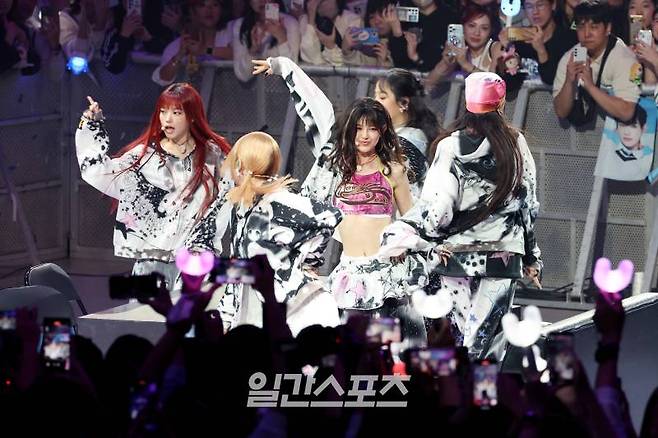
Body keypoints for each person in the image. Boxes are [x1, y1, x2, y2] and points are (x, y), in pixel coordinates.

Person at [253, 56, 427, 342]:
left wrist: (407, 244)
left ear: (382, 131)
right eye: (358, 128)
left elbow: (412, 219)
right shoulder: (334, 168)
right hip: (348, 275)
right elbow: (313, 212)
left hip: (387, 277)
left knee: (390, 352)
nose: (364, 135)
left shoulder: (394, 169)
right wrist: (283, 66)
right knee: (350, 350)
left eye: (372, 128)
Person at [379, 72, 542, 360]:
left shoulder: (449, 146)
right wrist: (531, 257)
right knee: (486, 345)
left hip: (455, 259)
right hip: (502, 258)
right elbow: (527, 204)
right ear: (501, 101)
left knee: (456, 342)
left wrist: (419, 240)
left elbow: (437, 208)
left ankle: (452, 388)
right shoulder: (515, 144)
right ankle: (479, 389)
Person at [76, 83, 232, 291]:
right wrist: (91, 126)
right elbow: (97, 171)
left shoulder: (214, 157)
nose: (167, 119)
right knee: (146, 313)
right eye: (163, 111)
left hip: (196, 264)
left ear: (192, 116)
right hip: (151, 264)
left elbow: (234, 195)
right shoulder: (145, 158)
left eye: (176, 112)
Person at [186, 131, 343, 335]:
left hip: (300, 312)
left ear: (240, 166)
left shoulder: (280, 201)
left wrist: (308, 261)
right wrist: (226, 317)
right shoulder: (240, 206)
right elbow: (240, 264)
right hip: (263, 311)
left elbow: (331, 216)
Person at [553, 0, 641, 126]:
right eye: (581, 27)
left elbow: (627, 112)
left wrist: (590, 86)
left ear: (608, 28)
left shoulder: (625, 58)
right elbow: (561, 112)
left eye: (593, 27)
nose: (586, 34)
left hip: (620, 134)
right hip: (579, 136)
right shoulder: (572, 57)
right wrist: (569, 81)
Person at [373, 68, 437, 197]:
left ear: (404, 103)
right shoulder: (392, 135)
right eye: (375, 95)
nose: (375, 102)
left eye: (382, 97)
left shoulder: (410, 140)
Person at [152, 0, 233, 86]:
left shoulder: (231, 30)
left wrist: (205, 50)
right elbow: (163, 79)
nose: (209, 10)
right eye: (202, 5)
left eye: (215, 5)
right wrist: (179, 55)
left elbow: (240, 55)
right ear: (192, 12)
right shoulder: (176, 46)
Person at [425, 3, 502, 86]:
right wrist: (445, 63)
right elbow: (427, 85)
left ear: (490, 31)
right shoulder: (459, 48)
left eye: (484, 28)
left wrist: (465, 64)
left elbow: (495, 85)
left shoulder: (496, 48)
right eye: (471, 26)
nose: (477, 33)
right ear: (462, 27)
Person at [232, 0, 300, 82]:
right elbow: (242, 75)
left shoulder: (289, 23)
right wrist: (253, 51)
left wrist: (281, 38)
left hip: (283, 88)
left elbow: (291, 72)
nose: (262, 1)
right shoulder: (241, 25)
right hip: (254, 89)